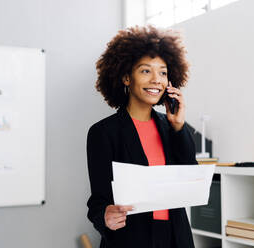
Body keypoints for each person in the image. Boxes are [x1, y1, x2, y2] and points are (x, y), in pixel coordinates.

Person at [86, 25, 197, 248]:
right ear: (126, 77)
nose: (157, 79)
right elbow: (98, 202)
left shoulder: (172, 126)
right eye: (146, 71)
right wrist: (104, 216)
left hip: (175, 237)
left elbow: (190, 178)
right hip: (131, 238)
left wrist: (179, 127)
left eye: (163, 72)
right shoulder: (103, 133)